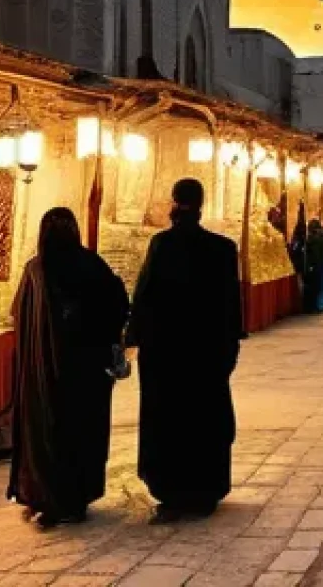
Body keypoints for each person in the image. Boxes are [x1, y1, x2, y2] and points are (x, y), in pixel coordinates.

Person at [128, 179, 243, 520]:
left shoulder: (162, 245)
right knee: (205, 418)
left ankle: (172, 492)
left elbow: (145, 297)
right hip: (206, 353)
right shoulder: (222, 249)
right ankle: (205, 489)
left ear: (174, 203)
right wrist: (230, 346)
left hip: (167, 355)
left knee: (169, 422)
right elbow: (231, 304)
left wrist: (133, 338)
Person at [8, 208, 129, 527]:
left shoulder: (35, 270)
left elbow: (18, 316)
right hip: (85, 374)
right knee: (82, 432)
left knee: (44, 433)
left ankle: (43, 496)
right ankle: (74, 499)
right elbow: (117, 306)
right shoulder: (91, 266)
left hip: (42, 376)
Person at [303, 218, 323, 314]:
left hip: (312, 265)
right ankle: (312, 306)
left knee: (310, 287)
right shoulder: (321, 237)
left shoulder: (312, 238)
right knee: (315, 287)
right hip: (318, 265)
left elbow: (312, 253)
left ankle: (309, 307)